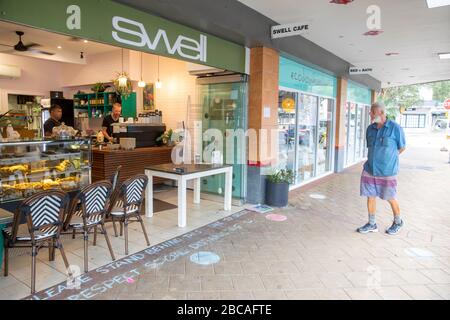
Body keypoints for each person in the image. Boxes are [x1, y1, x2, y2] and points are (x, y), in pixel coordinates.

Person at [357, 102, 406, 235]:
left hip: (387, 171)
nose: (370, 114)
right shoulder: (370, 129)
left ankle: (398, 221)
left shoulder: (395, 128)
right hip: (369, 169)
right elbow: (371, 148)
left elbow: (402, 147)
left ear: (382, 113)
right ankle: (372, 224)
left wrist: (389, 159)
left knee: (390, 197)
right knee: (370, 196)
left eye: (372, 112)